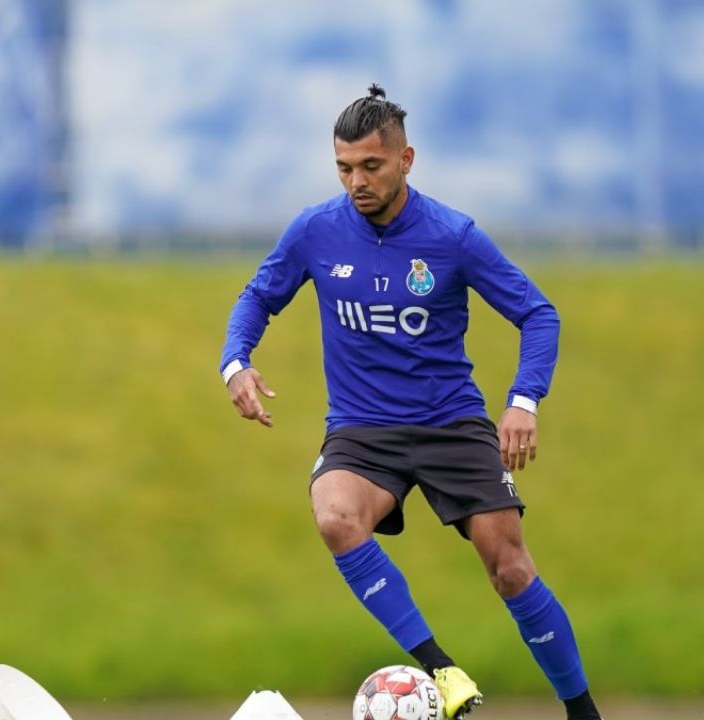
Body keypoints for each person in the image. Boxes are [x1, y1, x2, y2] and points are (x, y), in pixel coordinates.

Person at [219, 84, 602, 720]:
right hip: (363, 429)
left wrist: (523, 401)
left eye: (371, 166)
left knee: (508, 567)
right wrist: (237, 361)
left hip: (451, 422)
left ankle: (583, 713)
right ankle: (442, 671)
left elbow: (538, 313)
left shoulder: (453, 236)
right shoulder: (316, 230)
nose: (356, 182)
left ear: (406, 159)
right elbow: (257, 296)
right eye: (344, 168)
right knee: (335, 516)